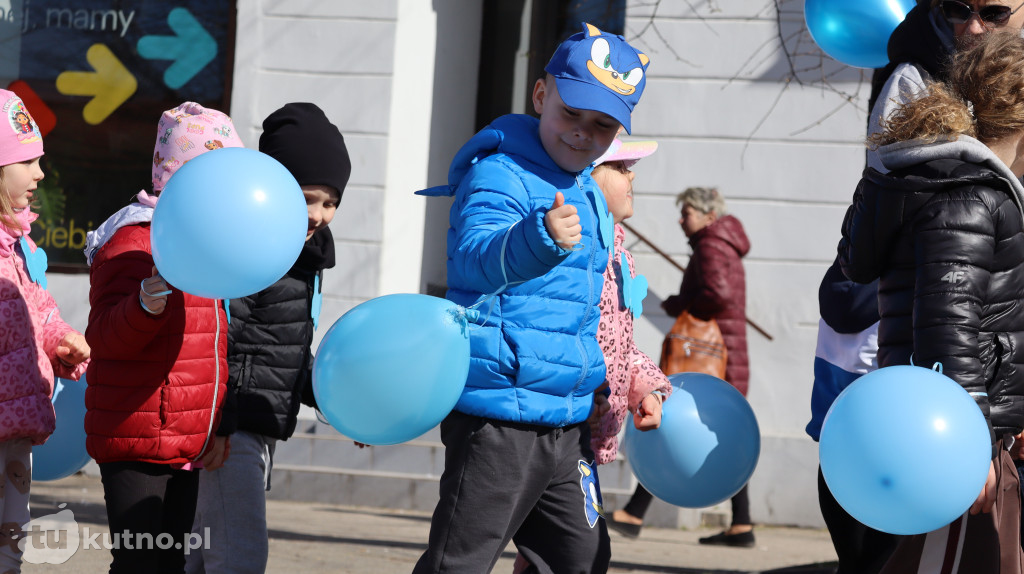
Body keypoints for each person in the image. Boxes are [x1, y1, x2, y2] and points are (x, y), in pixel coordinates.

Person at [411, 22, 650, 573]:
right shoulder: (500, 173)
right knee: (461, 561)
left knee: (582, 559)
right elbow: (471, 257)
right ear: (541, 95)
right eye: (572, 114)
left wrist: (626, 377)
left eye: (603, 125)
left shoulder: (589, 186)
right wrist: (535, 239)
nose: (582, 134)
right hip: (502, 415)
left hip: (565, 419)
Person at [839, 32, 1024, 573]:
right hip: (955, 440)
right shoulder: (970, 195)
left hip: (968, 433)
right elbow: (949, 325)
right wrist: (967, 451)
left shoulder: (958, 185)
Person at [185, 102, 351, 574]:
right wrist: (218, 424)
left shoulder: (306, 259)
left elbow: (285, 351)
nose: (319, 215)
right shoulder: (249, 251)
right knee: (240, 558)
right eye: (308, 198)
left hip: (259, 426)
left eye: (331, 202)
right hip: (228, 430)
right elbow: (218, 343)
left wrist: (344, 405)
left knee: (203, 559)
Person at [83, 102, 244, 573]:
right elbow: (107, 337)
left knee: (168, 564)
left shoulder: (204, 243)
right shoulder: (136, 241)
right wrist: (143, 306)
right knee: (139, 564)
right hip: (135, 434)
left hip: (182, 436)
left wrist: (214, 424)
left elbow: (210, 344)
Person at [512, 139, 671, 572]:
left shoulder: (620, 254)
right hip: (553, 420)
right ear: (588, 176)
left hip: (584, 432)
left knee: (564, 555)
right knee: (553, 551)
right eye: (621, 166)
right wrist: (588, 387)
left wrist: (647, 390)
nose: (632, 175)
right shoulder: (577, 248)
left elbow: (621, 343)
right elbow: (557, 331)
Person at [606, 187, 753, 547]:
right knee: (717, 431)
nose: (681, 220)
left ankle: (635, 512)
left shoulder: (710, 244)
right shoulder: (723, 242)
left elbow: (716, 295)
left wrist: (679, 303)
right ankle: (742, 524)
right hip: (726, 350)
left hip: (707, 354)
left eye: (686, 213)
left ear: (708, 216)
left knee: (673, 421)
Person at [0, 89, 89, 572]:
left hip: (16, 428)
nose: (39, 174)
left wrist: (63, 343)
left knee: (10, 544)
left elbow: (42, 309)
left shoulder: (18, 247)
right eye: (28, 162)